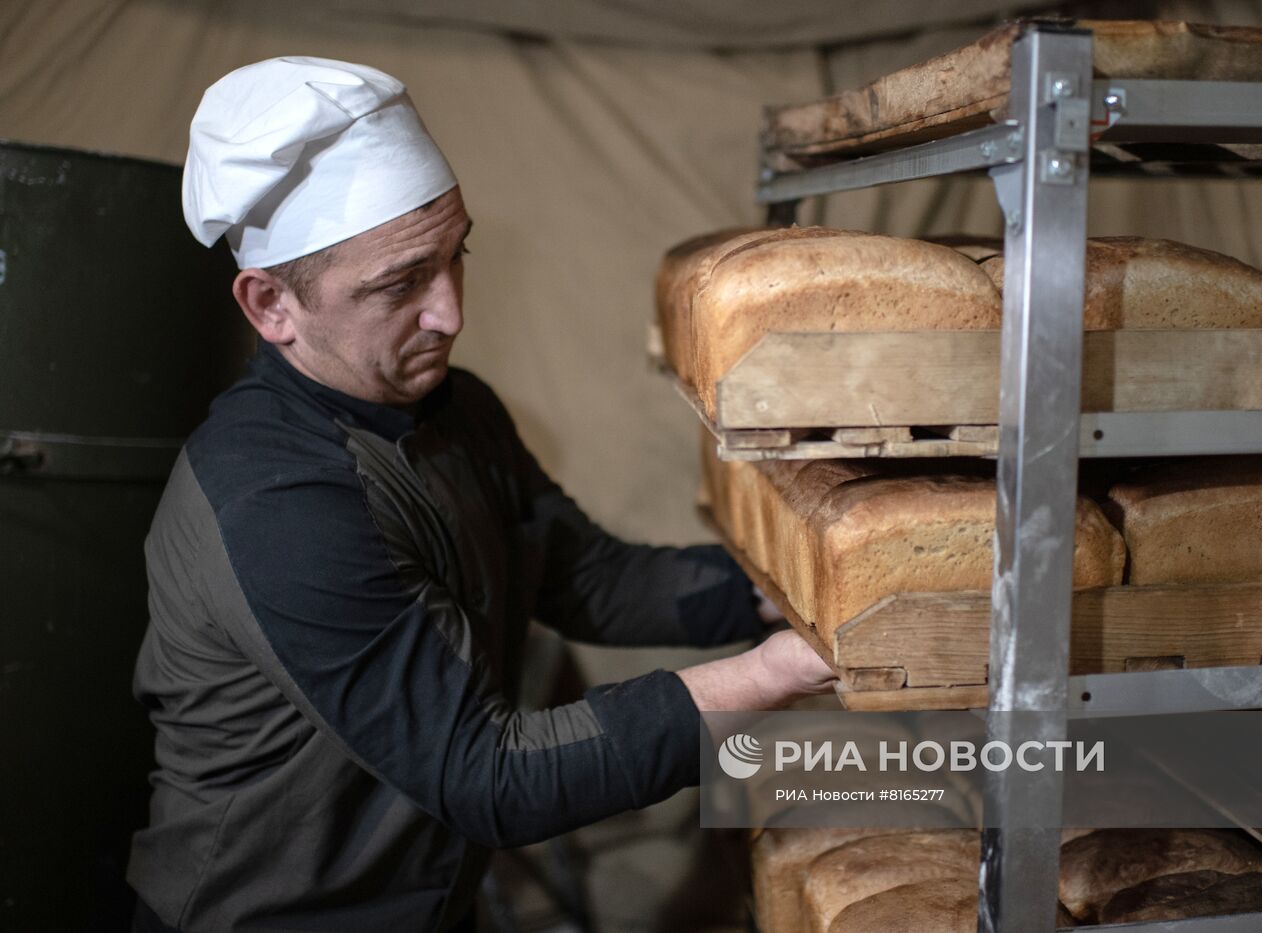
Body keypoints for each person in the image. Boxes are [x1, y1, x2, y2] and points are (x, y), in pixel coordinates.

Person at [128, 57, 836, 932]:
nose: (450, 312)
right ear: (271, 303)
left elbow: (584, 577)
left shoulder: (455, 410)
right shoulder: (275, 499)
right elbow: (490, 777)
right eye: (400, 283)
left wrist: (785, 590)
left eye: (454, 254)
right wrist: (774, 675)